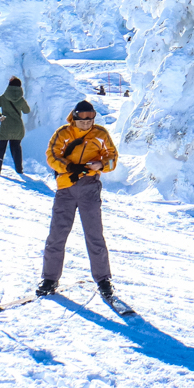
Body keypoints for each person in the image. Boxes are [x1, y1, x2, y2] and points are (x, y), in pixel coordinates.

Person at [35, 100, 118, 298]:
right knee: (57, 234)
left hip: (90, 188)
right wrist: (69, 167)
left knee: (94, 234)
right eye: (83, 118)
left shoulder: (101, 134)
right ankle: (49, 278)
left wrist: (101, 165)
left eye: (91, 118)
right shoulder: (63, 133)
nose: (87, 122)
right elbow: (51, 156)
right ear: (75, 116)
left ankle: (103, 280)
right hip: (66, 188)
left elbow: (113, 157)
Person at [0, 76, 31, 175]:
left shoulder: (3, 97)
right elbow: (27, 111)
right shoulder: (21, 99)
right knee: (16, 148)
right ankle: (19, 170)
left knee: (1, 148)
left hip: (6, 125)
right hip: (17, 126)